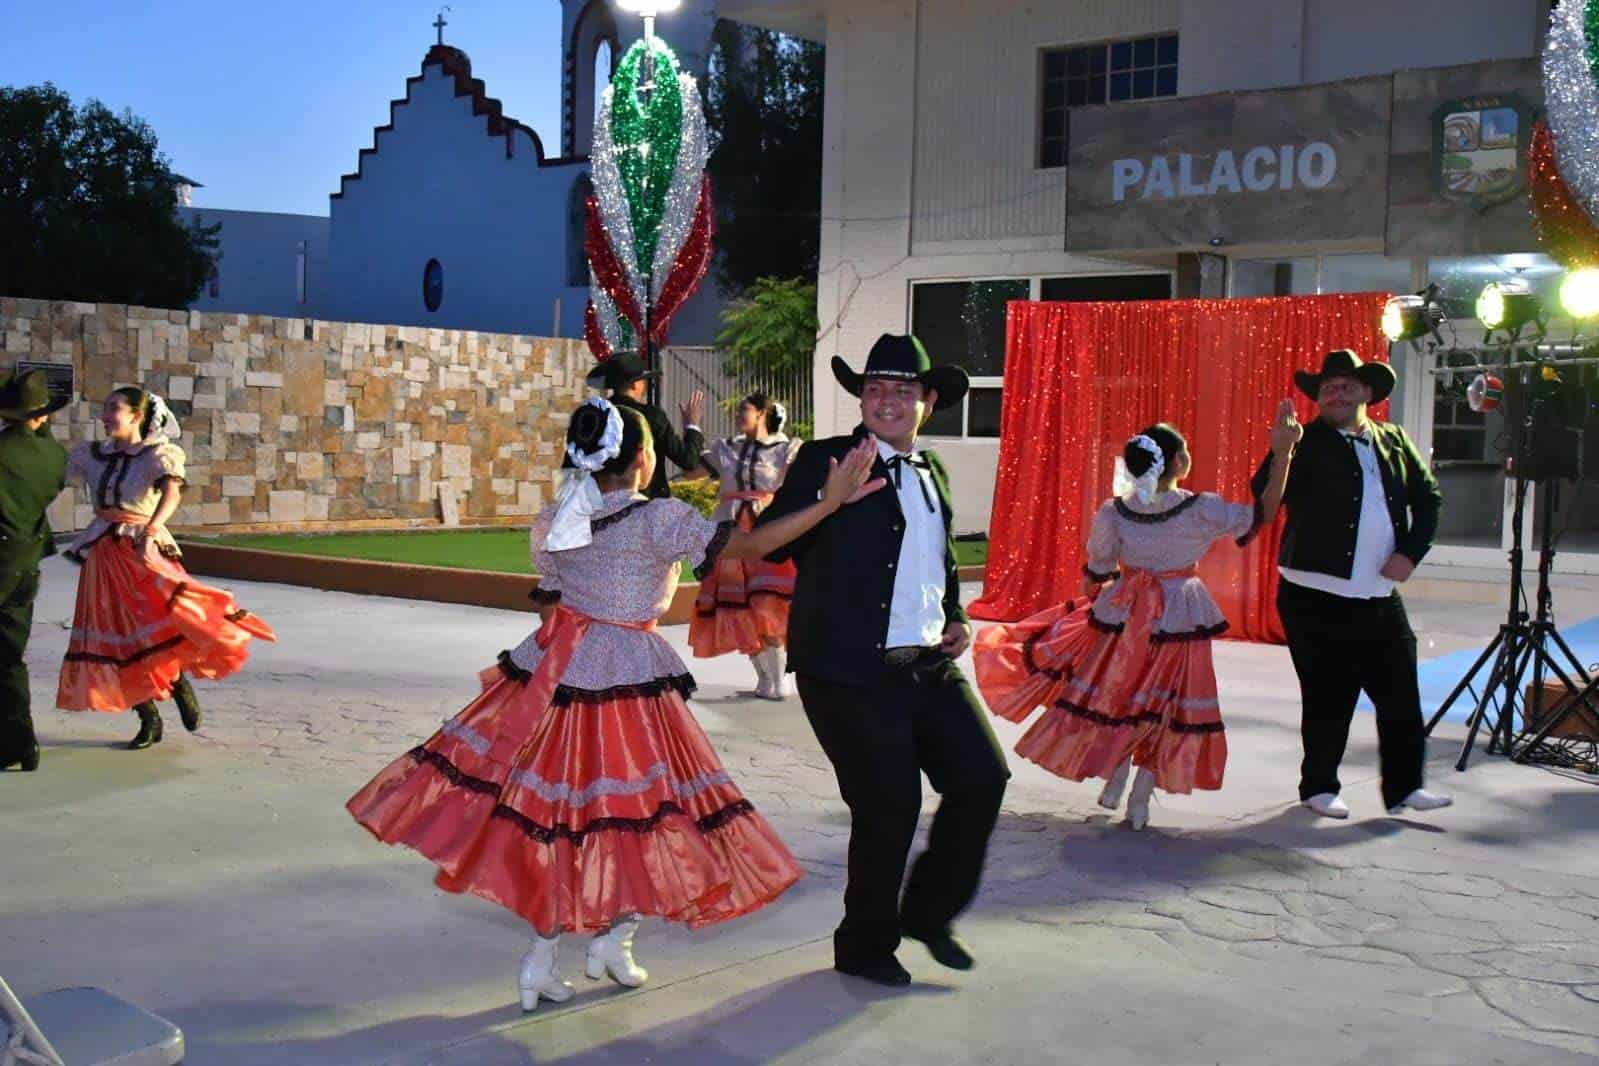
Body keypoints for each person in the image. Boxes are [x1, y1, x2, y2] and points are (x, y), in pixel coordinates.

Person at [347, 396, 885, 1012]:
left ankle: (556, 957)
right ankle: (611, 939)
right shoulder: (661, 518)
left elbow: (551, 600)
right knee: (648, 813)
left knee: (561, 821)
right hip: (626, 680)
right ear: (642, 458)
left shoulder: (556, 520)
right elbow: (754, 548)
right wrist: (830, 500)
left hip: (558, 678)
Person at [757, 333, 1010, 987]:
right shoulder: (826, 459)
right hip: (847, 669)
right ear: (861, 399)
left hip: (927, 663)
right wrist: (830, 499)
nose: (887, 402)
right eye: (874, 390)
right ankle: (864, 945)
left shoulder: (934, 472)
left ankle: (926, 913)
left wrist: (954, 617)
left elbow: (936, 561)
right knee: (889, 807)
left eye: (902, 391)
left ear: (927, 402)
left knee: (981, 778)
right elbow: (757, 547)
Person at [972, 416, 1296, 830]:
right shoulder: (1201, 510)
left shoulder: (1116, 511)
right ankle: (1139, 798)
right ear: (1179, 461)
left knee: (1123, 693)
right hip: (1180, 612)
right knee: (1165, 702)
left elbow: (1099, 564)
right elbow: (1262, 514)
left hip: (1125, 609)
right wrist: (1283, 454)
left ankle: (1118, 775)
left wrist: (1096, 598)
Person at [1249, 349, 1452, 820]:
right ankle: (1319, 786)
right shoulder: (1303, 441)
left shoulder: (1394, 440)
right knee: (1328, 695)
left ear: (1366, 393)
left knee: (1401, 693)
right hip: (1313, 593)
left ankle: (1405, 788)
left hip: (1378, 595)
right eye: (1327, 389)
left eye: (1344, 386)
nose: (1335, 393)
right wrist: (1282, 451)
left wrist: (1410, 554)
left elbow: (1429, 500)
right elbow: (1266, 505)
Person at [56, 386, 276, 749]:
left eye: (115, 408)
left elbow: (171, 492)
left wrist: (152, 528)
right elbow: (57, 473)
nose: (106, 415)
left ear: (137, 416)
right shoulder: (93, 455)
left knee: (160, 625)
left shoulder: (158, 454)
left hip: (143, 551)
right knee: (114, 639)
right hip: (102, 556)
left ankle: (177, 684)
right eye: (105, 407)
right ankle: (148, 718)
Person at [688, 393, 804, 698]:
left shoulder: (785, 449)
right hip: (730, 534)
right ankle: (764, 677)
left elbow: (801, 488)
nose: (739, 414)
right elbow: (691, 469)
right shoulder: (726, 449)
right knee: (738, 608)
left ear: (763, 414)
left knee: (769, 601)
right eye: (738, 410)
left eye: (746, 410)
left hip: (768, 531)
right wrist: (691, 427)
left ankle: (780, 679)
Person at [0, 370, 70, 773]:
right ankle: (19, 742)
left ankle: (19, 741)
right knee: (9, 655)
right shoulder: (54, 457)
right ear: (42, 415)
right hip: (25, 563)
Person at [587, 352, 705, 500]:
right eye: (643, 380)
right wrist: (692, 426)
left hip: (602, 503)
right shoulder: (651, 416)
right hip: (645, 504)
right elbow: (688, 460)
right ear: (635, 384)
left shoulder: (594, 416)